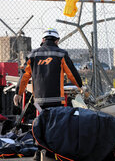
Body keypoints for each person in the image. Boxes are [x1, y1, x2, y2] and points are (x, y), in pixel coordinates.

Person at [14, 27, 83, 160]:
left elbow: (24, 76)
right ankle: (53, 153)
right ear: (57, 41)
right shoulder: (61, 54)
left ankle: (39, 151)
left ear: (43, 40)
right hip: (57, 100)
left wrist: (18, 93)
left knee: (40, 125)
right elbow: (72, 73)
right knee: (58, 126)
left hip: (39, 100)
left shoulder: (33, 55)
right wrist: (80, 86)